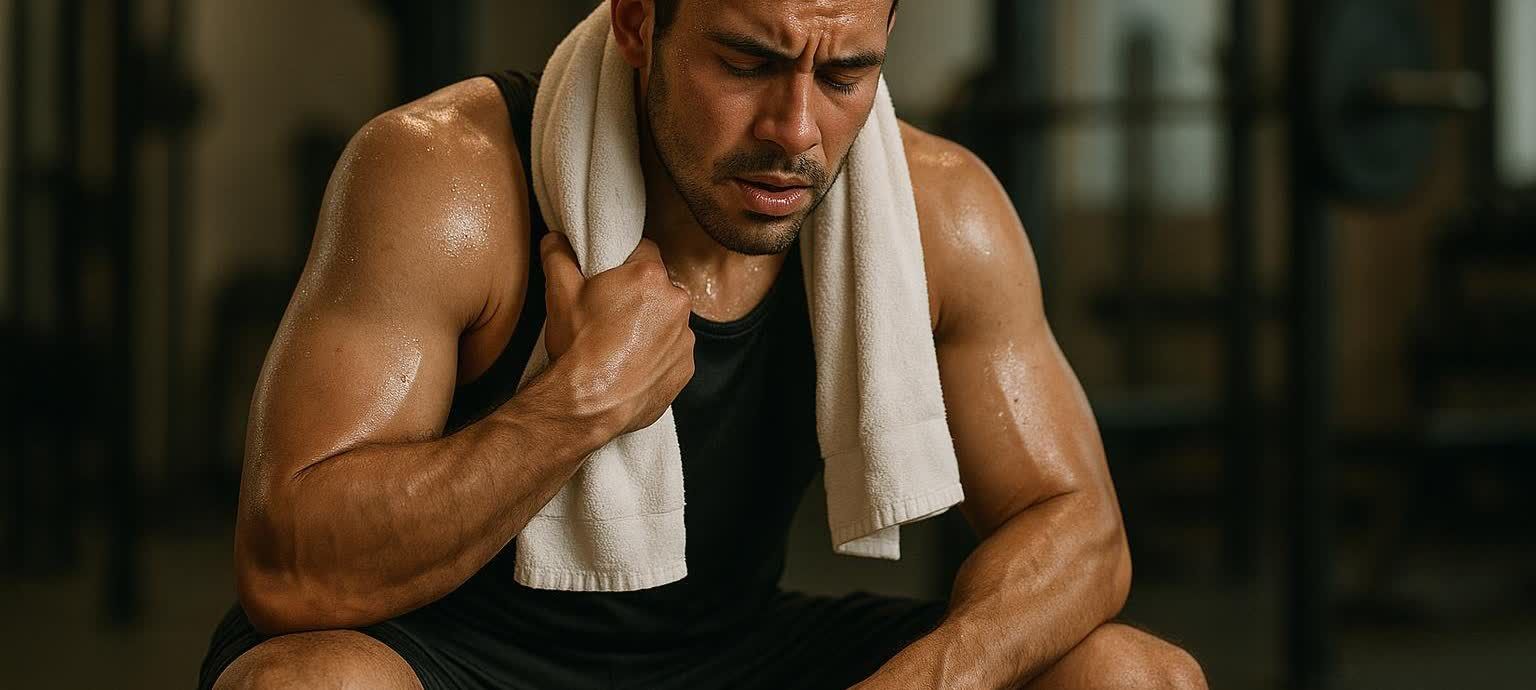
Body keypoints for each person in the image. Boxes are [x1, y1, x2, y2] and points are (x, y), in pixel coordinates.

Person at [199, 0, 1208, 688]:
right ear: (639, 19)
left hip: (725, 657)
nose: (797, 129)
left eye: (846, 74)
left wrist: (932, 679)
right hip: (452, 657)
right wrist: (578, 401)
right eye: (747, 63)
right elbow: (292, 568)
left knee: (1132, 676)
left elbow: (1081, 526)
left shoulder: (939, 214)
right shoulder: (446, 179)